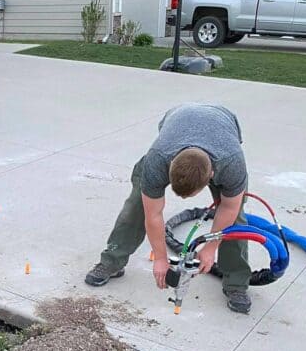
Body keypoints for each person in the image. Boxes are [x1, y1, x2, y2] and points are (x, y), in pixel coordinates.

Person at [85, 103, 253, 314]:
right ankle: (112, 260)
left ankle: (236, 283)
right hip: (177, 120)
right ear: (170, 166)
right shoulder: (158, 160)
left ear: (212, 176)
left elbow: (229, 208)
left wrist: (210, 248)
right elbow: (153, 214)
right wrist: (160, 258)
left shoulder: (231, 163)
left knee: (235, 218)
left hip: (223, 123)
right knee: (138, 204)